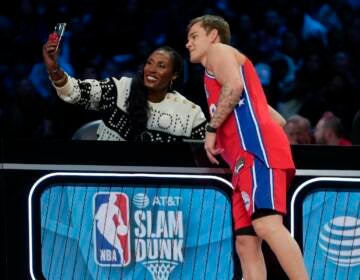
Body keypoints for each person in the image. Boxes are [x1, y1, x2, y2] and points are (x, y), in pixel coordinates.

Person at [186, 15, 308, 279]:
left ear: (213, 36)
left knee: (267, 225)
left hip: (257, 152)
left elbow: (234, 86)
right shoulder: (218, 74)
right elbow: (278, 119)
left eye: (194, 36)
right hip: (246, 160)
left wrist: (211, 130)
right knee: (246, 244)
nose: (188, 43)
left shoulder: (220, 52)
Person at [42, 35, 207, 142]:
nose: (151, 69)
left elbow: (204, 154)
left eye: (161, 66)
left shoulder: (191, 114)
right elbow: (75, 92)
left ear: (174, 75)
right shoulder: (119, 89)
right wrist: (54, 69)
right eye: (149, 63)